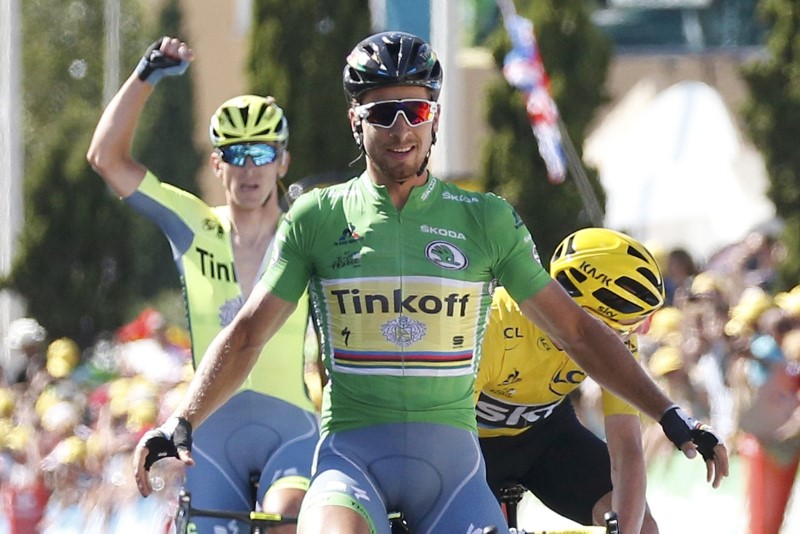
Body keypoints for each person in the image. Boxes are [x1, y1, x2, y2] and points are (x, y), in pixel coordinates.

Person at [131, 31, 728, 534]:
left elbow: (577, 330)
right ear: (354, 120)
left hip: (457, 470)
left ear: (434, 116)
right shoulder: (316, 217)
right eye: (381, 113)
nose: (399, 129)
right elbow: (247, 335)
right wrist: (178, 423)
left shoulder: (484, 218)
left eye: (414, 110)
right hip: (350, 460)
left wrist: (675, 419)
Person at [86, 36, 319, 533]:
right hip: (210, 435)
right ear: (217, 165)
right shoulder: (195, 225)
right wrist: (145, 73)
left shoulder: (305, 228)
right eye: (236, 154)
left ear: (283, 161)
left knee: (288, 519)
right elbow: (106, 157)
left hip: (291, 428)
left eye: (262, 152)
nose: (250, 167)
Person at [476, 228, 665, 533]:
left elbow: (627, 446)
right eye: (617, 330)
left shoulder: (614, 337)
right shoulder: (492, 323)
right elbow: (444, 442)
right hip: (468, 444)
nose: (621, 341)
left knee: (642, 527)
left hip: (546, 437)